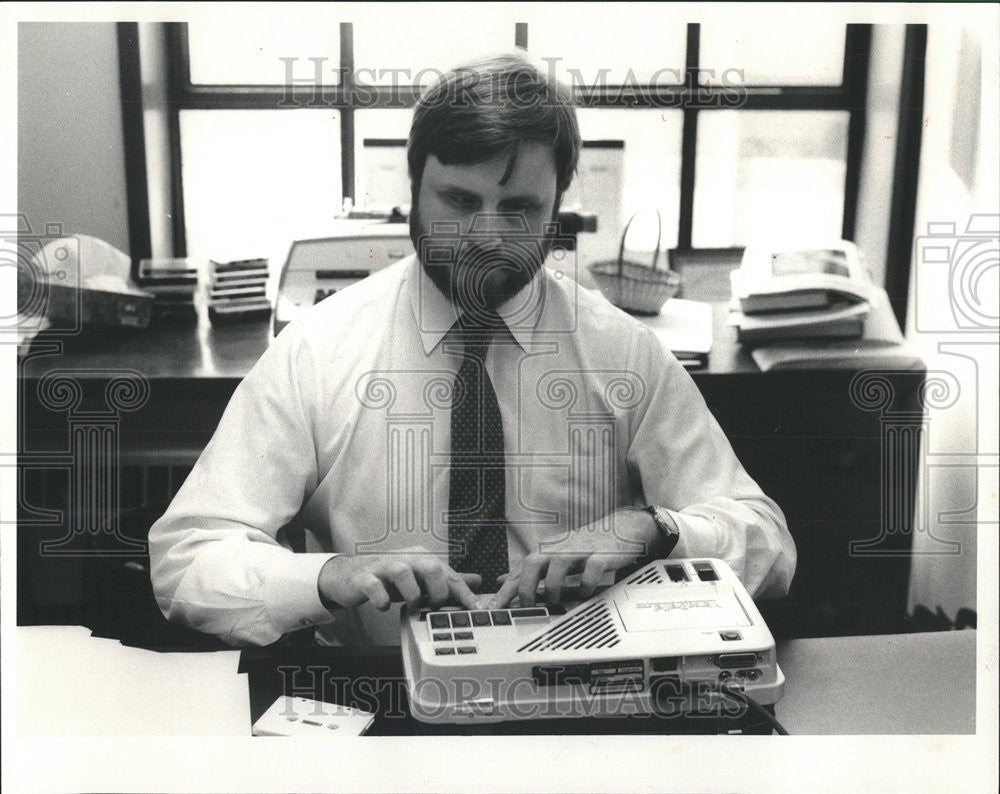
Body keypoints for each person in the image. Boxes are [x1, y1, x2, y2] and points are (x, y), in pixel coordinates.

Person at [149, 54, 796, 647]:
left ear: (557, 212)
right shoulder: (317, 353)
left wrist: (659, 531)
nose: (486, 236)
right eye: (460, 201)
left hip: (577, 693)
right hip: (381, 700)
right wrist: (328, 577)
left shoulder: (624, 354)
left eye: (518, 208)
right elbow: (185, 559)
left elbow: (768, 545)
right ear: (413, 190)